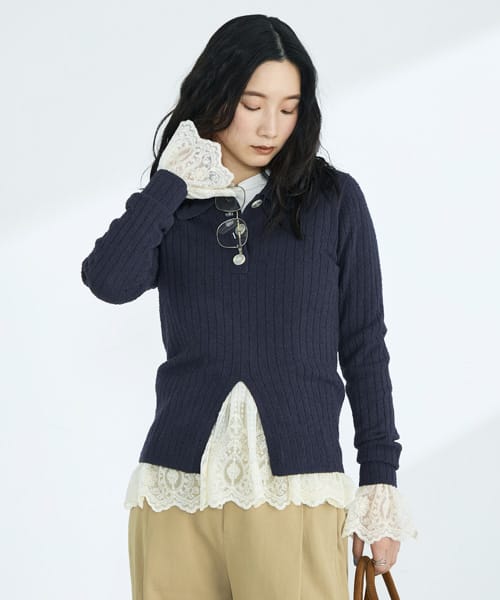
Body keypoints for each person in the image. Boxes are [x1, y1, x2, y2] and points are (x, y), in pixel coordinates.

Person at [81, 13, 417, 600]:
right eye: (252, 104)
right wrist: (169, 182)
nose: (270, 127)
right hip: (176, 494)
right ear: (215, 96)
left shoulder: (333, 200)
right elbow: (107, 280)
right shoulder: (175, 203)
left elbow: (364, 345)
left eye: (288, 108)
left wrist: (379, 482)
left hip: (296, 493)